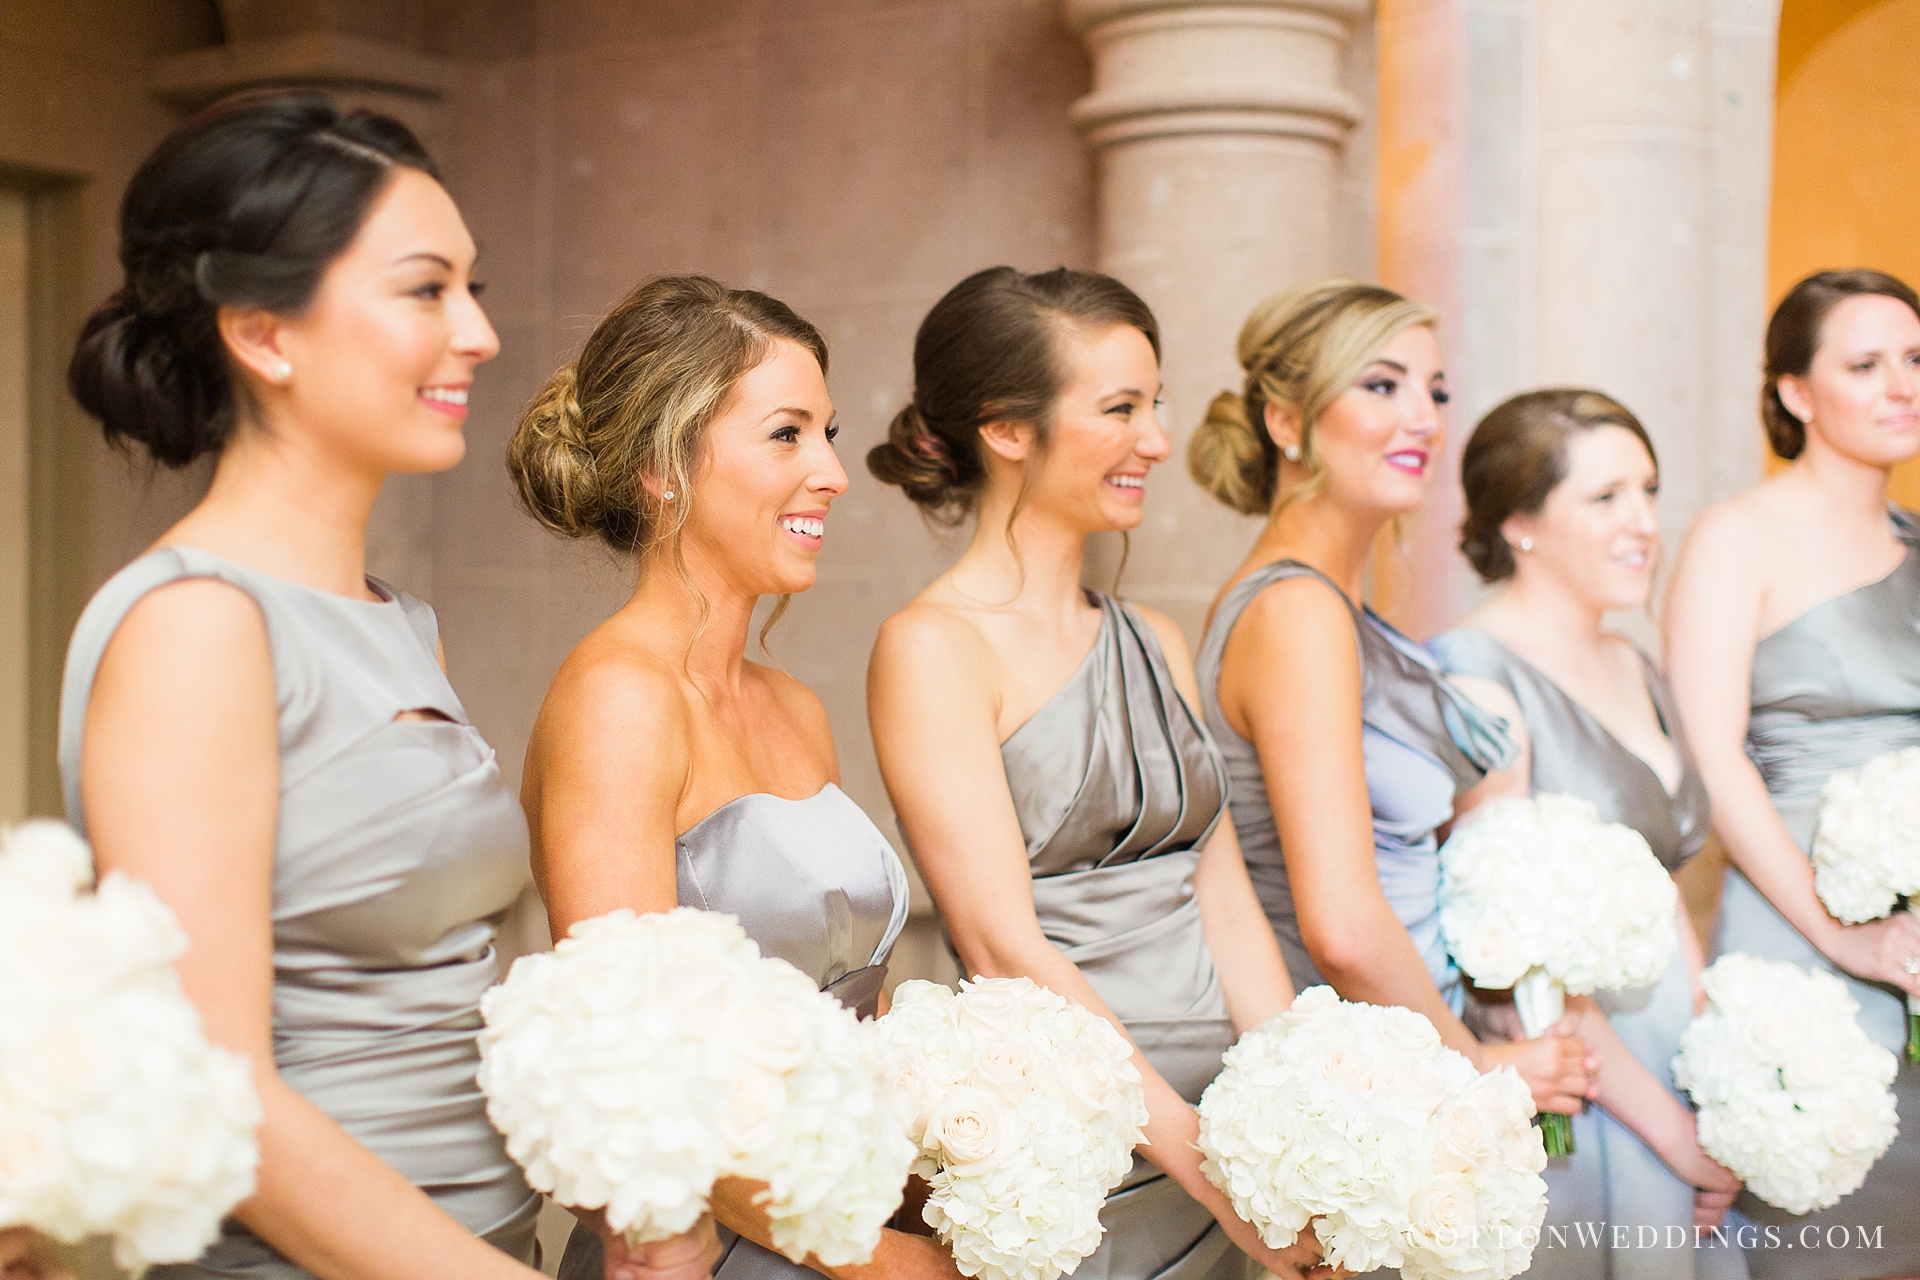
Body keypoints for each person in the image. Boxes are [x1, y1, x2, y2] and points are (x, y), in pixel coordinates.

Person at [56, 90, 716, 1280]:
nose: (478, 333)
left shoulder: (402, 623)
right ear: (264, 332)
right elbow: (223, 1095)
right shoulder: (195, 625)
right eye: (426, 290)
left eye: (475, 289)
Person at [866, 266, 1323, 1280]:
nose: (1157, 440)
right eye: (1120, 408)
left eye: (1153, 404)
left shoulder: (1153, 638)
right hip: (1084, 1143)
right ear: (1008, 430)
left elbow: (1227, 902)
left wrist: (1302, 1115)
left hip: (1231, 1131)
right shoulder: (932, 648)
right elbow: (1000, 940)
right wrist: (1206, 1168)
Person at [510, 276, 957, 1280]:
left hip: (853, 1222)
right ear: (664, 467)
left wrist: (966, 1176)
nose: (835, 473)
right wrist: (885, 1264)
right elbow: (639, 1074)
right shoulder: (618, 700)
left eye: (828, 433)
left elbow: (854, 1025)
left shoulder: (794, 705)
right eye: (788, 434)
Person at [1188, 278, 1597, 1119]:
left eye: (1435, 390)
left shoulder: (1344, 613)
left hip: (1408, 1047)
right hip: (1365, 1080)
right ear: (1287, 421)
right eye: (1383, 385)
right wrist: (1478, 1058)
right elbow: (1339, 921)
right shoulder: (1296, 611)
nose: (1425, 417)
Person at [1430, 389, 1744, 1279]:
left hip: (1671, 1055)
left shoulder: (1633, 663)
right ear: (1519, 521)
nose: (1644, 522)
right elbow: (1514, 953)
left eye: (1648, 491)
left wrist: (1723, 1076)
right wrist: (1675, 1138)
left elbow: (1662, 885)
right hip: (1582, 1083)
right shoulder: (1476, 678)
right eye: (1606, 499)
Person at [1666, 268, 1920, 1279]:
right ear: (1795, 392)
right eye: (1865, 364)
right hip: (1801, 929)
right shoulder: (1738, 537)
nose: (1901, 384)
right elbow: (1709, 751)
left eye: (1915, 359)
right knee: (1821, 1233)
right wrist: (1838, 931)